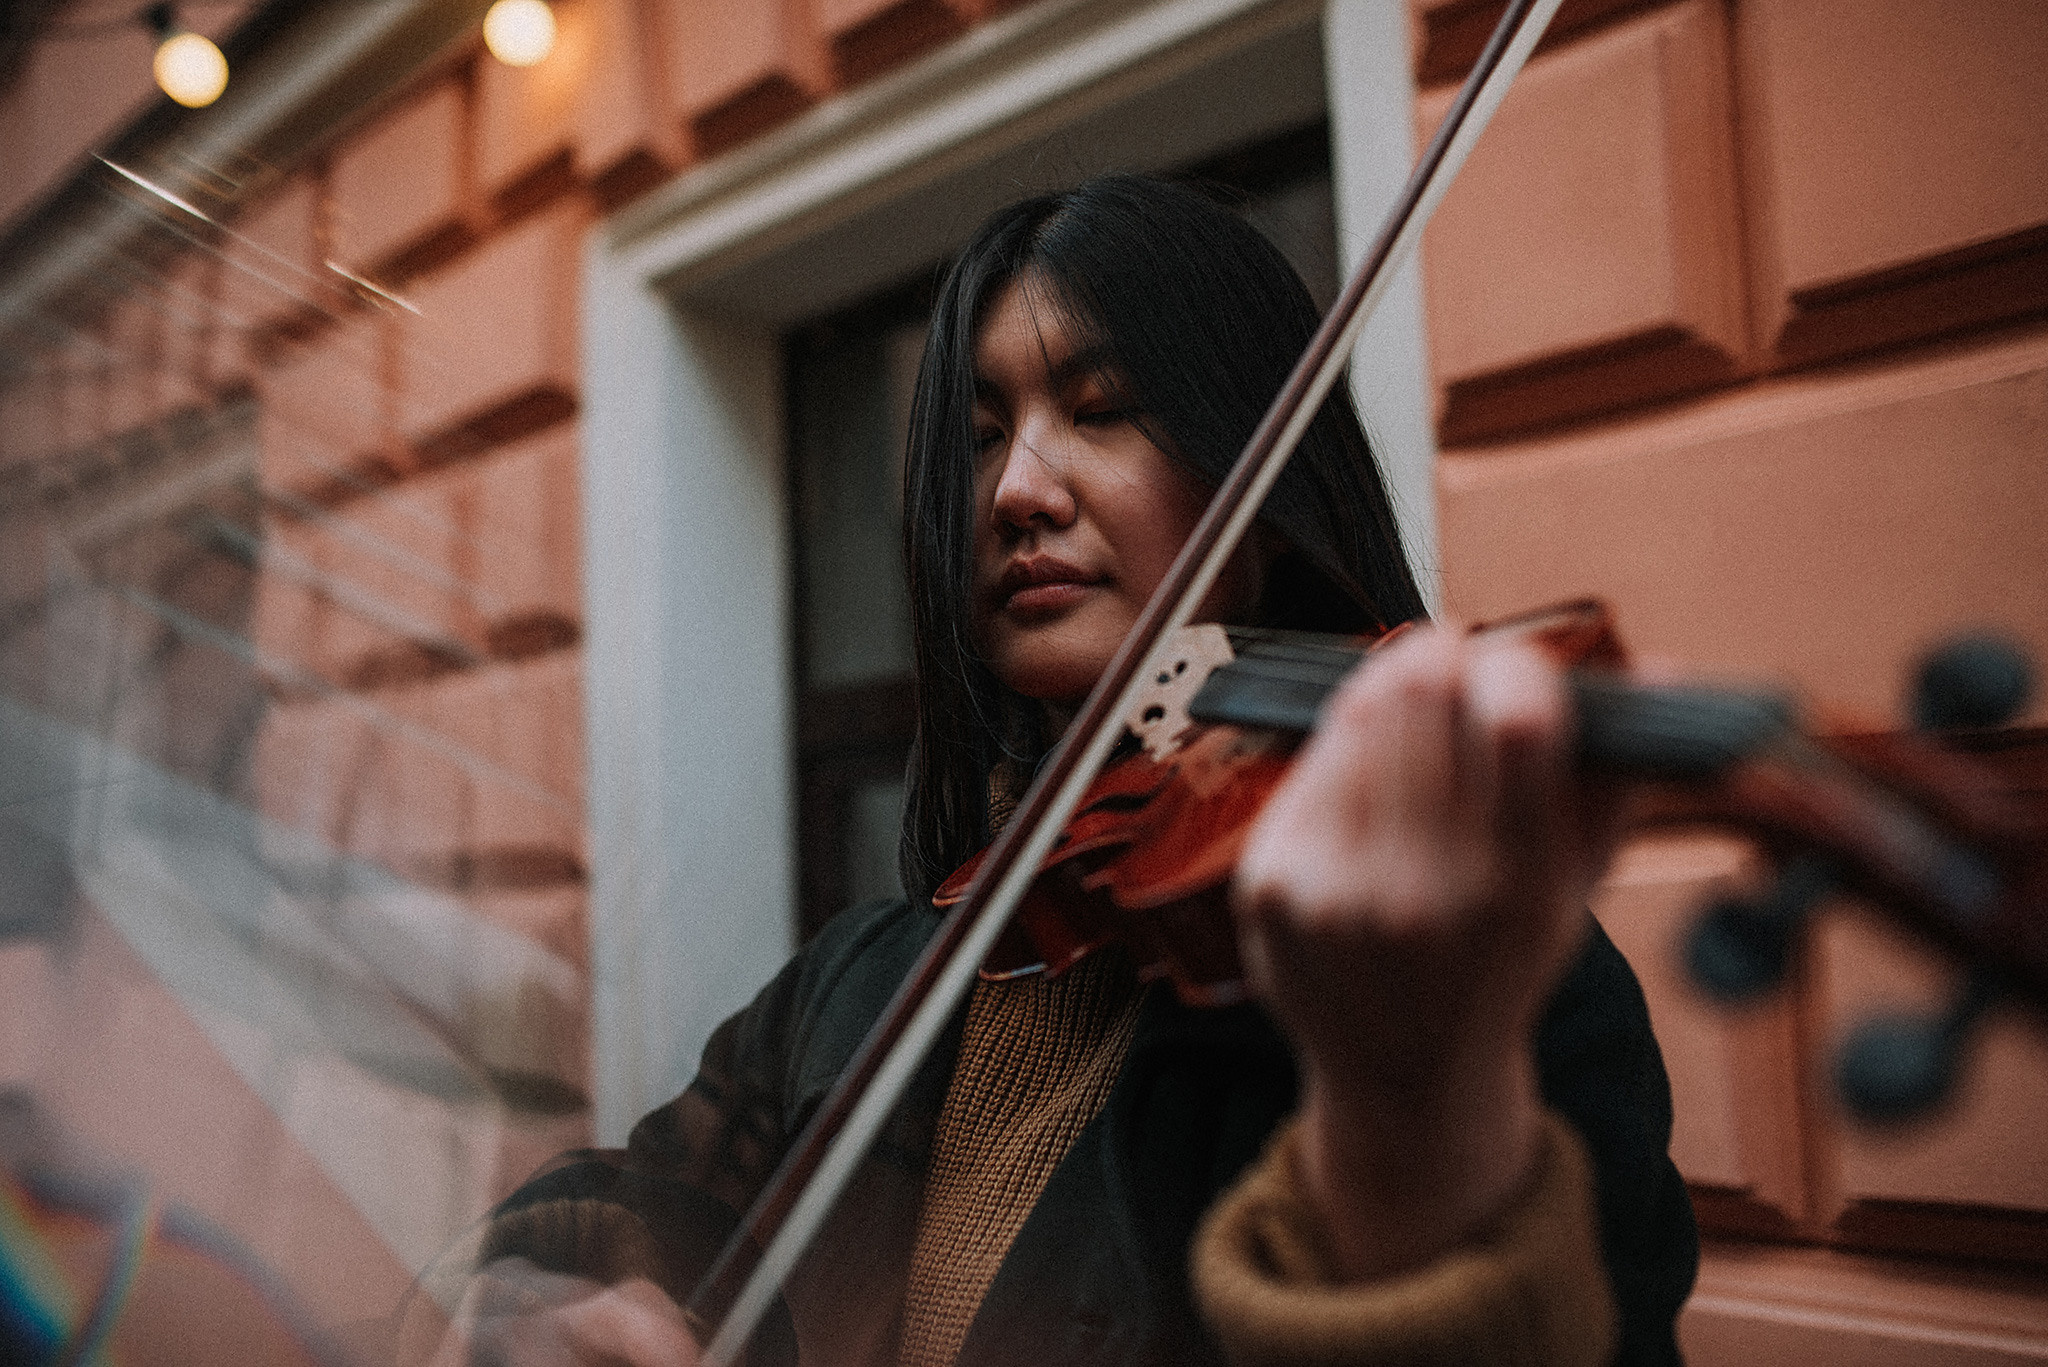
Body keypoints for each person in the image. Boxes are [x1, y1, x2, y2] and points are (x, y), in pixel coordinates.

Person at [408, 175, 1697, 1367]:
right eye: (979, 436)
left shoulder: (1473, 982)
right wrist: (524, 1297)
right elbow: (630, 1198)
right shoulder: (870, 976)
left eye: (1103, 412)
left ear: (1262, 481)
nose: (1015, 490)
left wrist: (1419, 1107)